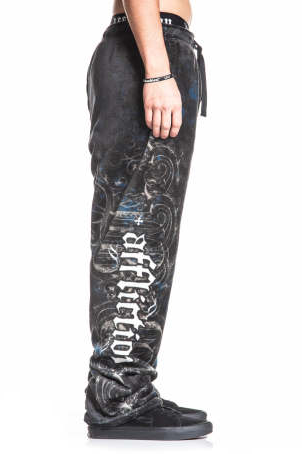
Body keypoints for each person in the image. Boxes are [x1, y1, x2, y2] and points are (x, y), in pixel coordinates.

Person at [84, 0, 210, 440]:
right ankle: (118, 396)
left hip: (148, 46)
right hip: (149, 51)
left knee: (142, 227)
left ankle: (126, 386)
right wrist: (158, 72)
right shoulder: (154, 60)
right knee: (136, 228)